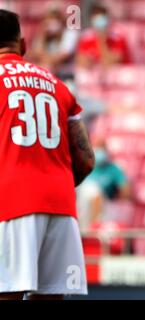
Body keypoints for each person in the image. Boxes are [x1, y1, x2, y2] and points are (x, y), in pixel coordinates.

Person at [0, 9, 95, 300]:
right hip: (60, 206)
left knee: (7, 293)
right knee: (51, 296)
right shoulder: (57, 84)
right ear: (24, 44)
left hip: (10, 203)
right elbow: (86, 160)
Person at [77, 142, 130, 230]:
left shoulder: (114, 169)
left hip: (107, 207)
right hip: (82, 205)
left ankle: (93, 226)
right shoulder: (85, 167)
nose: (99, 152)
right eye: (97, 148)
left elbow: (126, 193)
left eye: (102, 148)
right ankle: (89, 227)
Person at [27, 6, 79, 79]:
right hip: (49, 71)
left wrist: (46, 59)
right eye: (49, 19)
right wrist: (42, 36)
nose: (52, 23)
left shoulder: (70, 34)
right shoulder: (44, 35)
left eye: (55, 18)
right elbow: (36, 54)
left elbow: (61, 58)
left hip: (68, 74)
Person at [76, 2, 130, 68]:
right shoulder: (86, 37)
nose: (100, 21)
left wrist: (102, 42)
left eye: (102, 16)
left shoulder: (117, 36)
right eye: (96, 17)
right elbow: (81, 61)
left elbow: (111, 62)